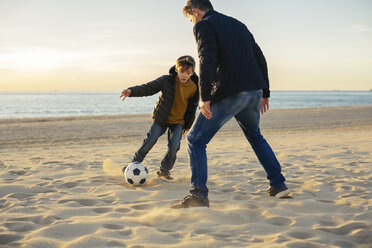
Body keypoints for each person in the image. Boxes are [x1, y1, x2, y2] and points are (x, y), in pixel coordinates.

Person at [172, 0, 290, 208]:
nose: (192, 22)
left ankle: (198, 195)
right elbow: (259, 57)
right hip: (253, 91)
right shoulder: (239, 24)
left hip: (231, 93)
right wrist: (265, 92)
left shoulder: (203, 25)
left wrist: (205, 97)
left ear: (196, 12)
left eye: (190, 18)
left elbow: (206, 58)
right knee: (255, 135)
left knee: (195, 139)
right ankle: (278, 185)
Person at [120, 55, 199, 181]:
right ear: (176, 69)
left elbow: (193, 107)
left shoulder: (195, 86)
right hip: (162, 119)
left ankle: (164, 172)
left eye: (188, 72)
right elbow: (149, 88)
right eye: (182, 71)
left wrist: (189, 124)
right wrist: (131, 91)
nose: (184, 75)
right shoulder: (166, 80)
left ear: (192, 72)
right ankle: (133, 164)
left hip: (179, 122)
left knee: (174, 147)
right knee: (149, 142)